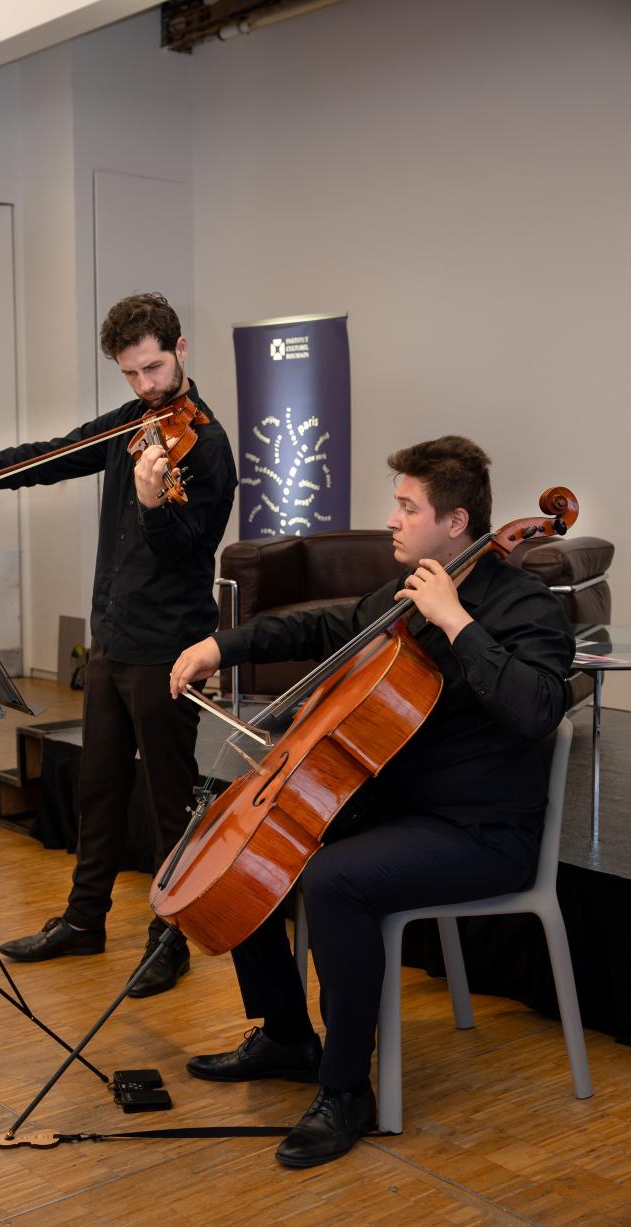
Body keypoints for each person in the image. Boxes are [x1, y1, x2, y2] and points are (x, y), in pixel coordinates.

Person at [167, 435, 574, 1166]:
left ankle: (347, 1088)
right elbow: (321, 625)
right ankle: (289, 1031)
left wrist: (458, 621)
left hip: (485, 832)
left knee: (334, 878)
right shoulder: (403, 592)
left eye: (407, 506)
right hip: (402, 810)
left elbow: (539, 707)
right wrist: (220, 646)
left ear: (455, 522)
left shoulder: (525, 604)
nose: (392, 518)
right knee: (247, 832)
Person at [0, 292, 237, 997]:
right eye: (130, 374)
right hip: (113, 638)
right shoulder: (133, 423)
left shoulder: (208, 446)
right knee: (97, 787)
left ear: (181, 350)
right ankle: (83, 918)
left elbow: (191, 550)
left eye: (153, 368)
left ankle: (169, 937)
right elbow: (54, 454)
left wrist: (155, 505)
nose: (146, 386)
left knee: (169, 796)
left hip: (168, 648)